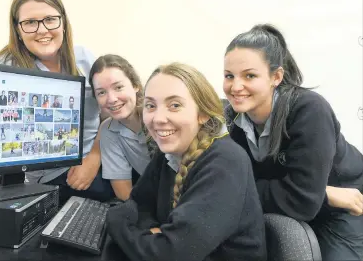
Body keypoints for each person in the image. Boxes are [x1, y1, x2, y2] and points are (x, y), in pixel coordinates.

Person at [223, 24, 363, 260]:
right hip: (319, 201)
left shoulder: (309, 110)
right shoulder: (232, 118)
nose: (236, 87)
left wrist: (313, 196)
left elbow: (300, 202)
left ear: (275, 77)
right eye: (229, 76)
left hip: (346, 207)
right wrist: (324, 194)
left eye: (250, 75)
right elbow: (230, 185)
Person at [106, 63, 267, 261]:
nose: (158, 118)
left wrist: (115, 220)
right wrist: (152, 234)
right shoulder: (169, 152)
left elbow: (169, 254)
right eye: (150, 105)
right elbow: (139, 204)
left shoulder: (225, 162)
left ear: (203, 113)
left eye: (174, 105)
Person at [0, 0, 113, 204]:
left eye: (50, 19)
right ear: (17, 30)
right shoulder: (4, 67)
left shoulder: (84, 58)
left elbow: (112, 111)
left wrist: (94, 156)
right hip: (46, 177)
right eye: (30, 22)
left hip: (96, 159)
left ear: (63, 23)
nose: (42, 30)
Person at [89, 54, 154, 201]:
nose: (111, 99)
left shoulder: (157, 116)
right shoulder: (108, 131)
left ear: (135, 85)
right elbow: (124, 192)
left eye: (118, 87)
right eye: (101, 92)